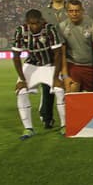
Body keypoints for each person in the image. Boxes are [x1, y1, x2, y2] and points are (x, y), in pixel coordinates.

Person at [12, 9, 65, 139]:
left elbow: (58, 53)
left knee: (59, 89)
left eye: (37, 23)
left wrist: (55, 78)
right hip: (31, 64)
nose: (35, 26)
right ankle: (28, 129)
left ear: (41, 21)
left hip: (49, 64)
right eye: (32, 24)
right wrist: (22, 79)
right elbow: (16, 56)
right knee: (21, 91)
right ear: (27, 23)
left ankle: (65, 125)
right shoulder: (21, 31)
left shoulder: (49, 29)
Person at [58, 0, 93, 92]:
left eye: (77, 11)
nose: (74, 13)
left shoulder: (92, 25)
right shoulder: (62, 26)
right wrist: (65, 76)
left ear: (82, 11)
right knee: (72, 89)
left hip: (91, 67)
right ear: (67, 12)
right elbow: (62, 54)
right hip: (73, 65)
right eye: (71, 11)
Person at [38, 0, 67, 129]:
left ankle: (70, 117)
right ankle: (47, 117)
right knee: (47, 87)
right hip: (49, 55)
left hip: (69, 53)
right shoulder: (43, 13)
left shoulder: (71, 9)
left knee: (67, 86)